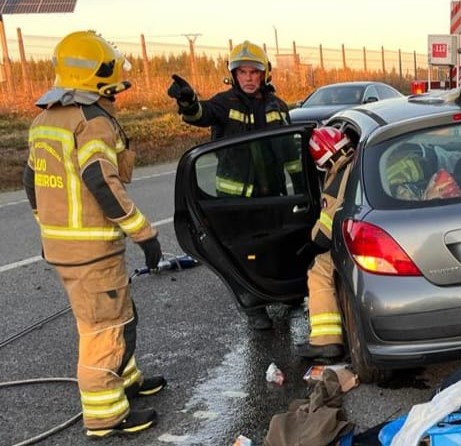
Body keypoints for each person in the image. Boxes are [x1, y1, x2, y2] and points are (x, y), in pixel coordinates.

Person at [22, 30, 165, 438]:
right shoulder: (91, 122)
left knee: (118, 316)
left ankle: (127, 380)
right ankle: (106, 415)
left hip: (66, 248)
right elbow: (102, 183)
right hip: (92, 250)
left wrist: (50, 229)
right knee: (104, 330)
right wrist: (145, 235)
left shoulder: (43, 119)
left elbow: (32, 182)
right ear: (97, 73)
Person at [167, 40, 297, 329]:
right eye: (243, 72)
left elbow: (290, 151)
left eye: (254, 72)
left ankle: (283, 294)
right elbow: (201, 115)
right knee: (243, 254)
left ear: (265, 74)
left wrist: (303, 188)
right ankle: (254, 307)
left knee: (275, 246)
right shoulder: (224, 103)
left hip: (273, 195)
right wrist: (188, 102)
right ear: (234, 75)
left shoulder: (277, 106)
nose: (249, 78)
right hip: (236, 200)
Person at [296, 126, 358, 360]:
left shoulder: (336, 180)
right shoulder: (362, 157)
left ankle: (326, 341)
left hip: (353, 240)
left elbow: (324, 232)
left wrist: (309, 247)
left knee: (319, 269)